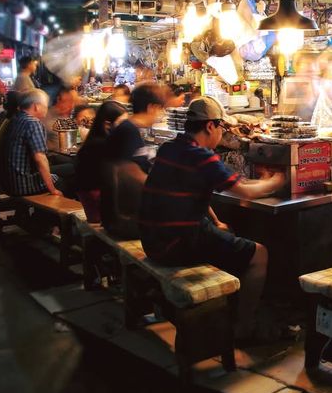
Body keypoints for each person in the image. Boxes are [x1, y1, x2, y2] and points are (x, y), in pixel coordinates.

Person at [138, 96, 286, 340]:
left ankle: (221, 311)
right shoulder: (202, 157)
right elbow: (246, 192)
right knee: (259, 254)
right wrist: (275, 181)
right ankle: (244, 328)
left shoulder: (169, 148)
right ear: (210, 126)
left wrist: (216, 221)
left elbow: (190, 192)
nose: (223, 133)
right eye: (222, 128)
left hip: (152, 239)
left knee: (224, 235)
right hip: (175, 245)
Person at [102, 82, 166, 237]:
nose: (162, 114)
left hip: (121, 216)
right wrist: (163, 190)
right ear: (151, 107)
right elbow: (129, 171)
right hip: (124, 220)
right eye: (161, 109)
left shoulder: (129, 129)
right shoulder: (128, 131)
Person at [0, 89, 72, 197]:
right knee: (67, 181)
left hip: (8, 183)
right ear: (36, 106)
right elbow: (40, 159)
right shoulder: (33, 123)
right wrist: (53, 190)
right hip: (24, 184)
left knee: (67, 168)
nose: (47, 109)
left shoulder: (16, 119)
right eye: (45, 106)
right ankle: (53, 213)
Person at [75, 101, 128, 223]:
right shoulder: (100, 144)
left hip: (96, 193)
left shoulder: (98, 139)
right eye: (122, 123)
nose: (126, 127)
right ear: (107, 124)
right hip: (95, 199)